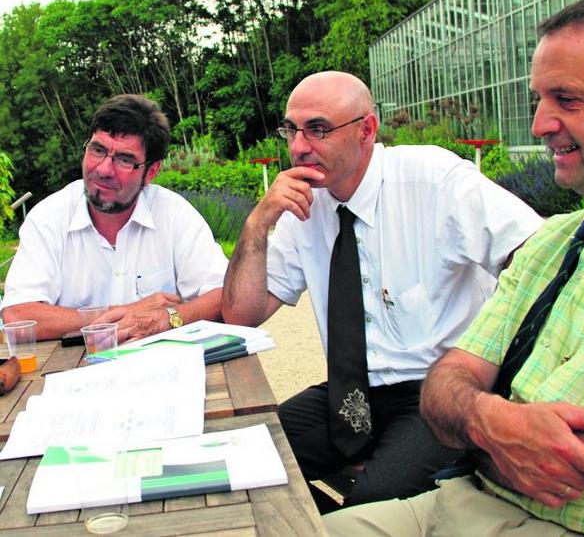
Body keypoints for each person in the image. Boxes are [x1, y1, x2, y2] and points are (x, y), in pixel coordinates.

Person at [324, 0, 584, 536]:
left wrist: (470, 415)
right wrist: (490, 419)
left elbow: (551, 462)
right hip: (460, 503)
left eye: (567, 99)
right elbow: (441, 390)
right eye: (538, 101)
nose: (542, 124)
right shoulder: (557, 238)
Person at [222, 70, 543, 511]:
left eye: (317, 129)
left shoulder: (433, 180)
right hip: (350, 396)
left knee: (371, 507)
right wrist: (257, 222)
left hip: (435, 394)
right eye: (291, 129)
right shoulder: (304, 206)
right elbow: (241, 314)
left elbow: (537, 257)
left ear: (366, 130)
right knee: (236, 463)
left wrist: (499, 368)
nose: (298, 147)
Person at [1, 94, 228, 342]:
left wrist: (167, 317)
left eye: (124, 159)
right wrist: (126, 314)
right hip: (72, 372)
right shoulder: (49, 218)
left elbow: (223, 295)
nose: (103, 169)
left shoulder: (175, 215)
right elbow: (18, 316)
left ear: (151, 171)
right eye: (97, 150)